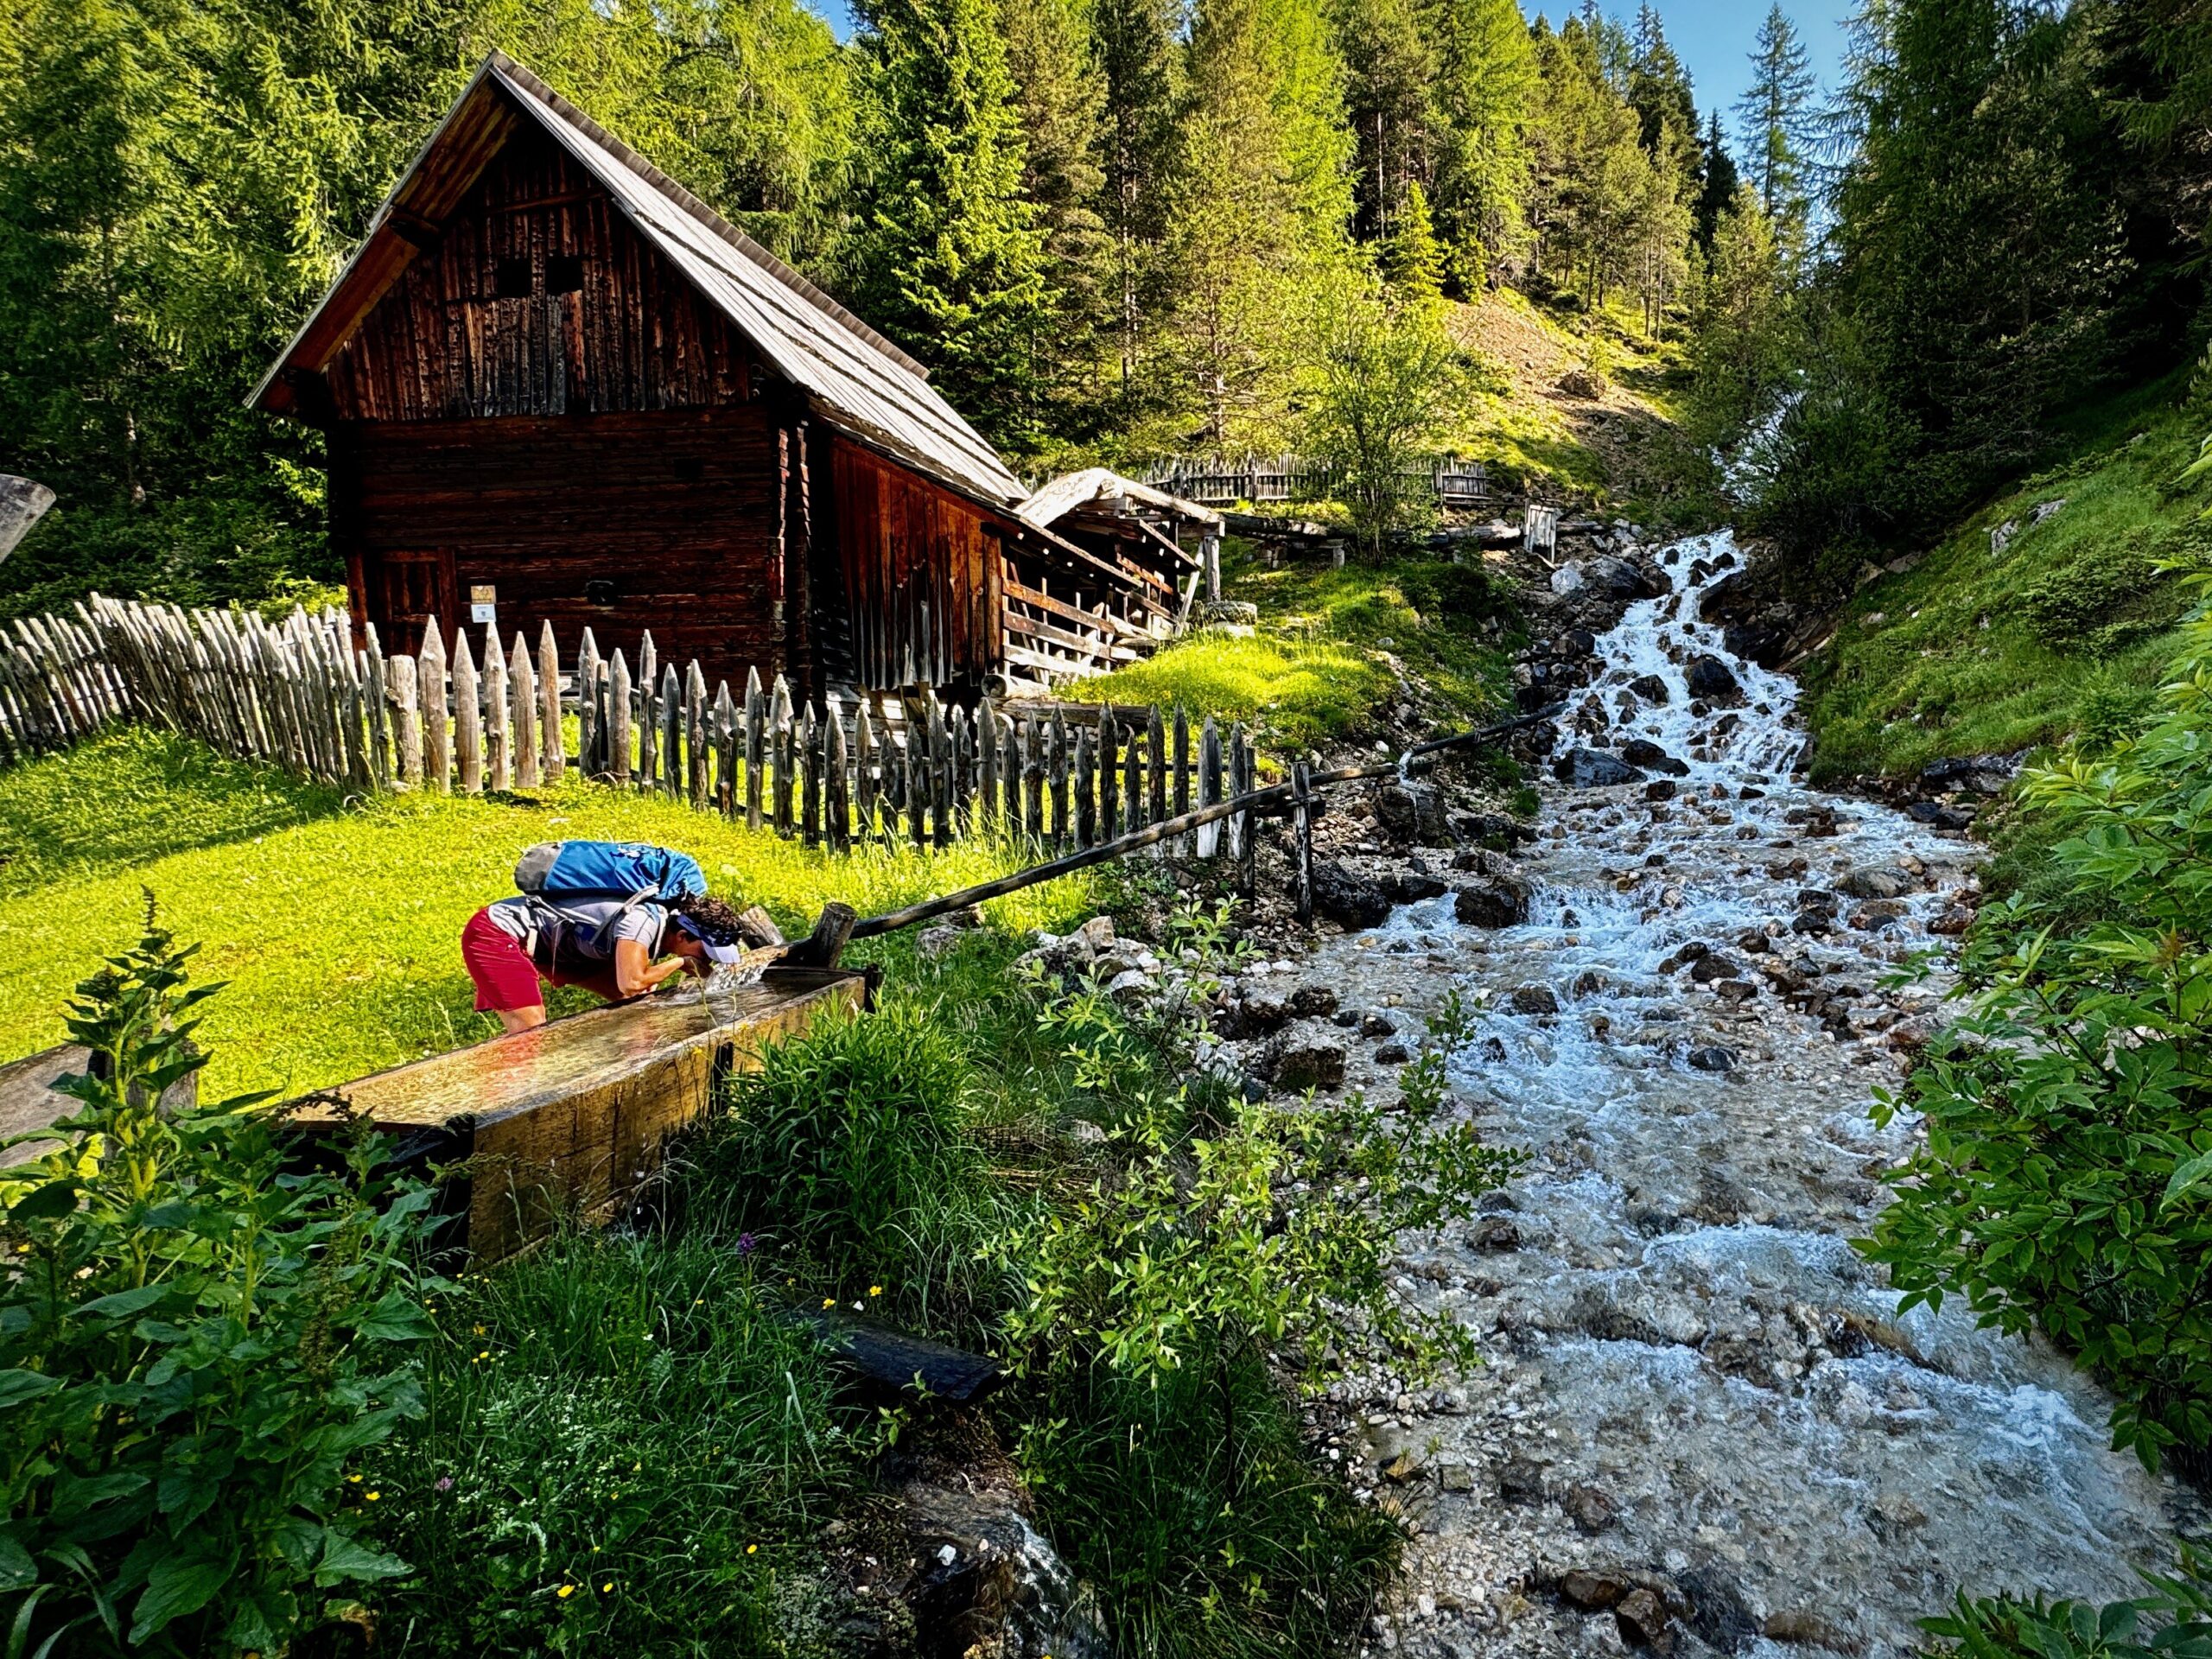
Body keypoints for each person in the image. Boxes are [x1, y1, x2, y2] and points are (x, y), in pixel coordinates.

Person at [461, 881, 754, 1035]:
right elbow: (631, 981)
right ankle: (501, 1108)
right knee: (531, 1030)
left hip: (558, 945)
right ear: (682, 936)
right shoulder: (641, 922)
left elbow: (633, 990)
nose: (707, 961)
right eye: (705, 953)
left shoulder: (661, 926)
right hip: (499, 932)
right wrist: (681, 963)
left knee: (639, 1003)